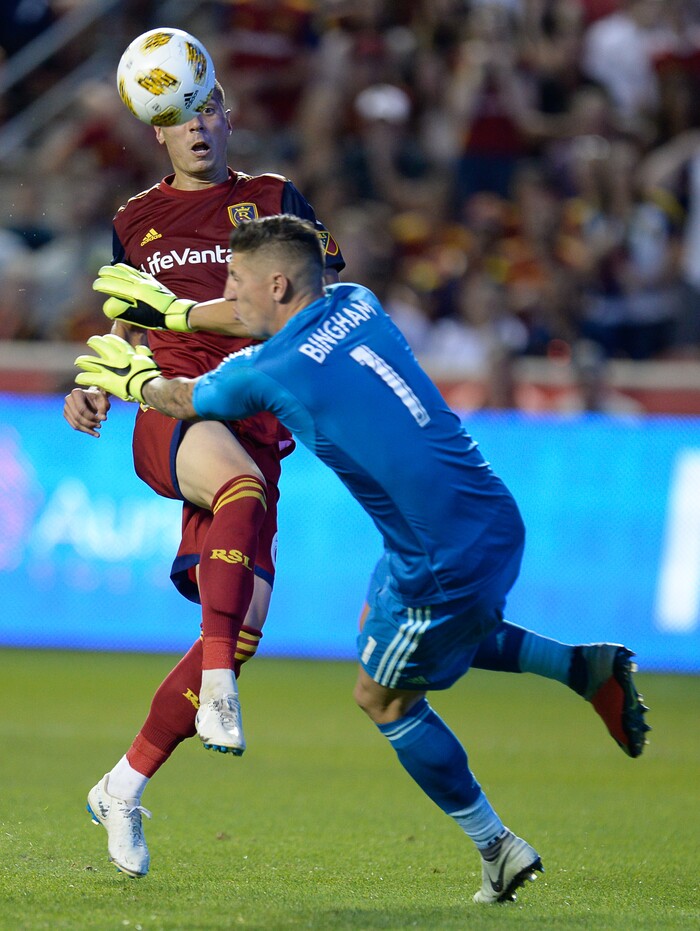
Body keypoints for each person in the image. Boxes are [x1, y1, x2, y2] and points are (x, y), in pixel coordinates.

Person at [76, 214, 650, 903]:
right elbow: (273, 332)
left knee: (382, 694)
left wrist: (135, 377)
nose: (227, 295)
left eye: (236, 282)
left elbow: (185, 397)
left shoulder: (271, 371)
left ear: (278, 284)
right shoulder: (361, 302)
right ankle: (581, 666)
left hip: (440, 554)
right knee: (390, 629)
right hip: (491, 516)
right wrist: (173, 311)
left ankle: (497, 846)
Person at [63, 81, 344, 878]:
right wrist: (94, 380)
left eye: (206, 111)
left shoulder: (271, 199)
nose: (194, 128)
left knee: (246, 621)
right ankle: (218, 680)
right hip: (169, 406)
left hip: (256, 419)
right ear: (157, 132)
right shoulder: (133, 219)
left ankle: (122, 785)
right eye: (177, 118)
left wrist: (191, 313)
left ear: (228, 118)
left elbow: (298, 304)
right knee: (237, 494)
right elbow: (127, 314)